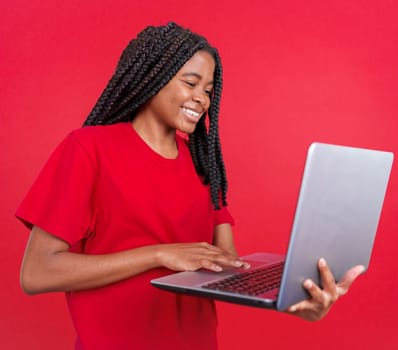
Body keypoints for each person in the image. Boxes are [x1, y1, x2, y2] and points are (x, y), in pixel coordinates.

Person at [16, 22, 365, 350]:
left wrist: (296, 298)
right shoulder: (88, 149)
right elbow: (37, 272)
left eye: (209, 89)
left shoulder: (203, 165)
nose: (202, 98)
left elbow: (225, 269)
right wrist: (158, 254)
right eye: (191, 82)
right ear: (152, 77)